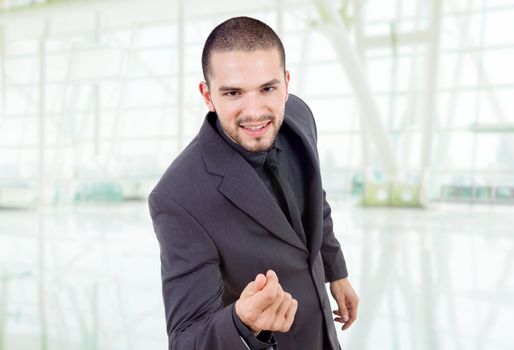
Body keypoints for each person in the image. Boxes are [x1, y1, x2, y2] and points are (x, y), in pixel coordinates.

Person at [148, 16, 359, 350]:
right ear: (207, 95)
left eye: (267, 88)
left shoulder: (300, 117)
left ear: (286, 84)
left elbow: (316, 200)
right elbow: (186, 340)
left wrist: (337, 271)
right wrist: (242, 323)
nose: (254, 111)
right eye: (233, 92)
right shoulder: (178, 197)